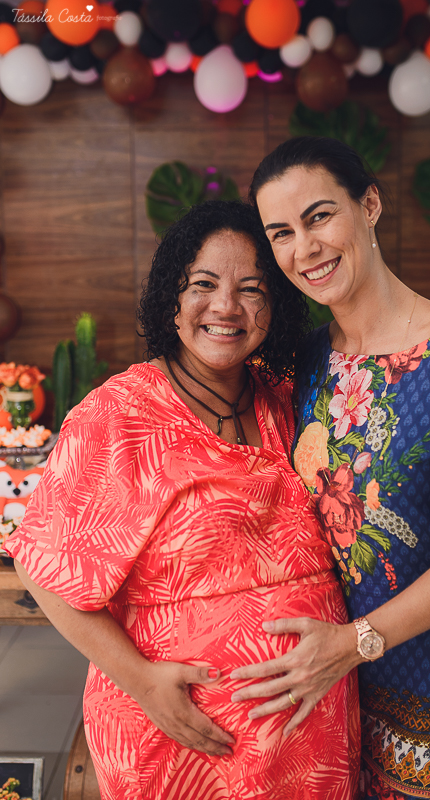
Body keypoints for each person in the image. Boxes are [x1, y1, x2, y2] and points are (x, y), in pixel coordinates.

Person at [5, 200, 359, 800]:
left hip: (310, 742)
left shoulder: (288, 401)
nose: (226, 307)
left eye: (252, 289)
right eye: (204, 284)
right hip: (184, 741)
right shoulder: (117, 414)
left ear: (275, 305)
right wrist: (142, 682)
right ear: (172, 296)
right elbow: (40, 568)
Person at [229, 137, 430, 800]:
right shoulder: (306, 362)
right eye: (281, 233)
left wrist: (353, 642)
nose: (304, 248)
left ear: (369, 205)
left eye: (318, 217)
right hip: (336, 710)